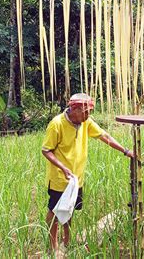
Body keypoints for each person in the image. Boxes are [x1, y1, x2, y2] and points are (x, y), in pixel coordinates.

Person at [41, 93, 134, 253]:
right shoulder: (57, 124)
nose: (88, 115)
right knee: (55, 212)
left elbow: (105, 136)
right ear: (74, 109)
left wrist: (125, 151)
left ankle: (67, 240)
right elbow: (46, 150)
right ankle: (53, 247)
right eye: (86, 111)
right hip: (59, 179)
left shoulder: (85, 122)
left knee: (69, 210)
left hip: (76, 179)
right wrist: (63, 168)